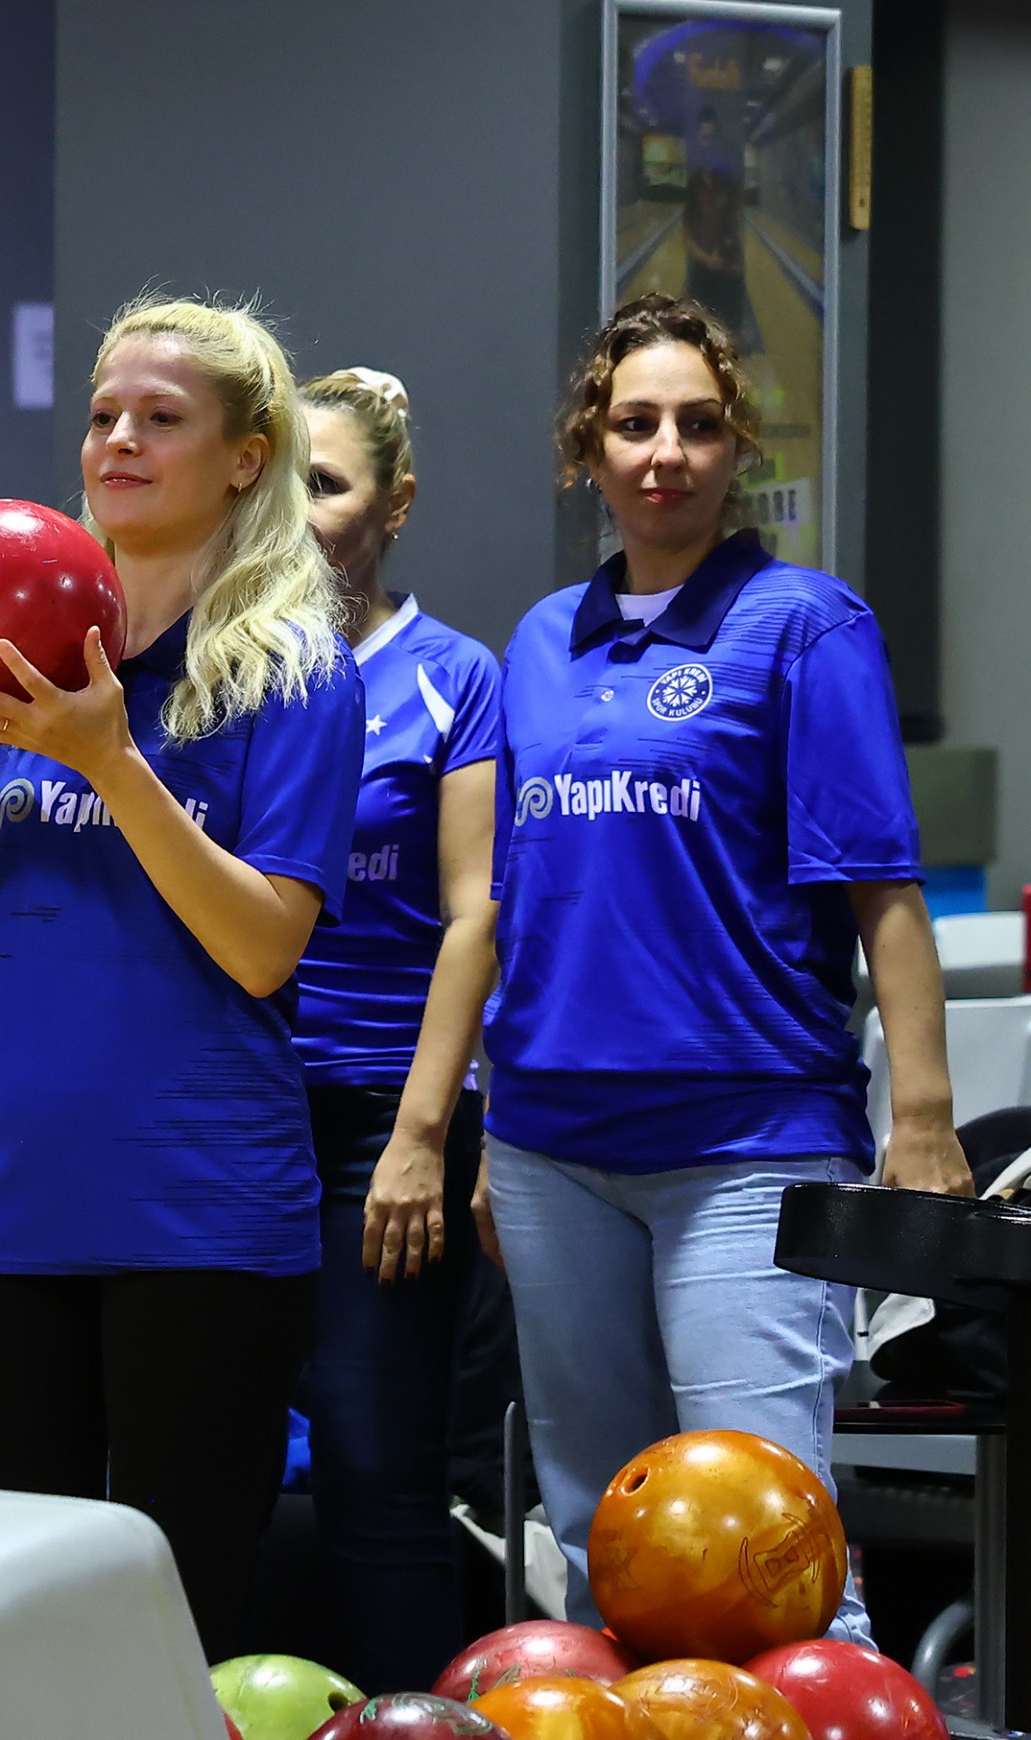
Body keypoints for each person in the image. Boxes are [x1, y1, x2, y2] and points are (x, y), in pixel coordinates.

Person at [477, 292, 973, 1645]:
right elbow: (519, 907)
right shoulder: (539, 642)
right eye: (635, 424)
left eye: (698, 425)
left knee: (770, 1551)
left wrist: (921, 1118)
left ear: (737, 447)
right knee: (604, 1544)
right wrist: (487, 1135)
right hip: (549, 1150)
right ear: (589, 447)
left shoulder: (804, 626)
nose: (666, 453)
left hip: (747, 1145)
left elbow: (883, 890)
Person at [0, 297, 365, 1661]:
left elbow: (264, 948)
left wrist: (108, 759)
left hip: (201, 1217)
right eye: (104, 413)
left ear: (245, 457)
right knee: (22, 1634)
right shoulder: (19, 651)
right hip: (5, 1211)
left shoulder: (296, 670)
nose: (118, 440)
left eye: (162, 418)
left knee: (175, 1628)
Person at [290, 367, 501, 1690]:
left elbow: (478, 916)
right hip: (230, 1111)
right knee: (197, 1468)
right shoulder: (222, 668)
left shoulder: (453, 677)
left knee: (376, 1470)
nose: (298, 512)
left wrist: (421, 1138)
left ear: (397, 503)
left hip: (385, 1113)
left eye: (327, 484)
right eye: (278, 483)